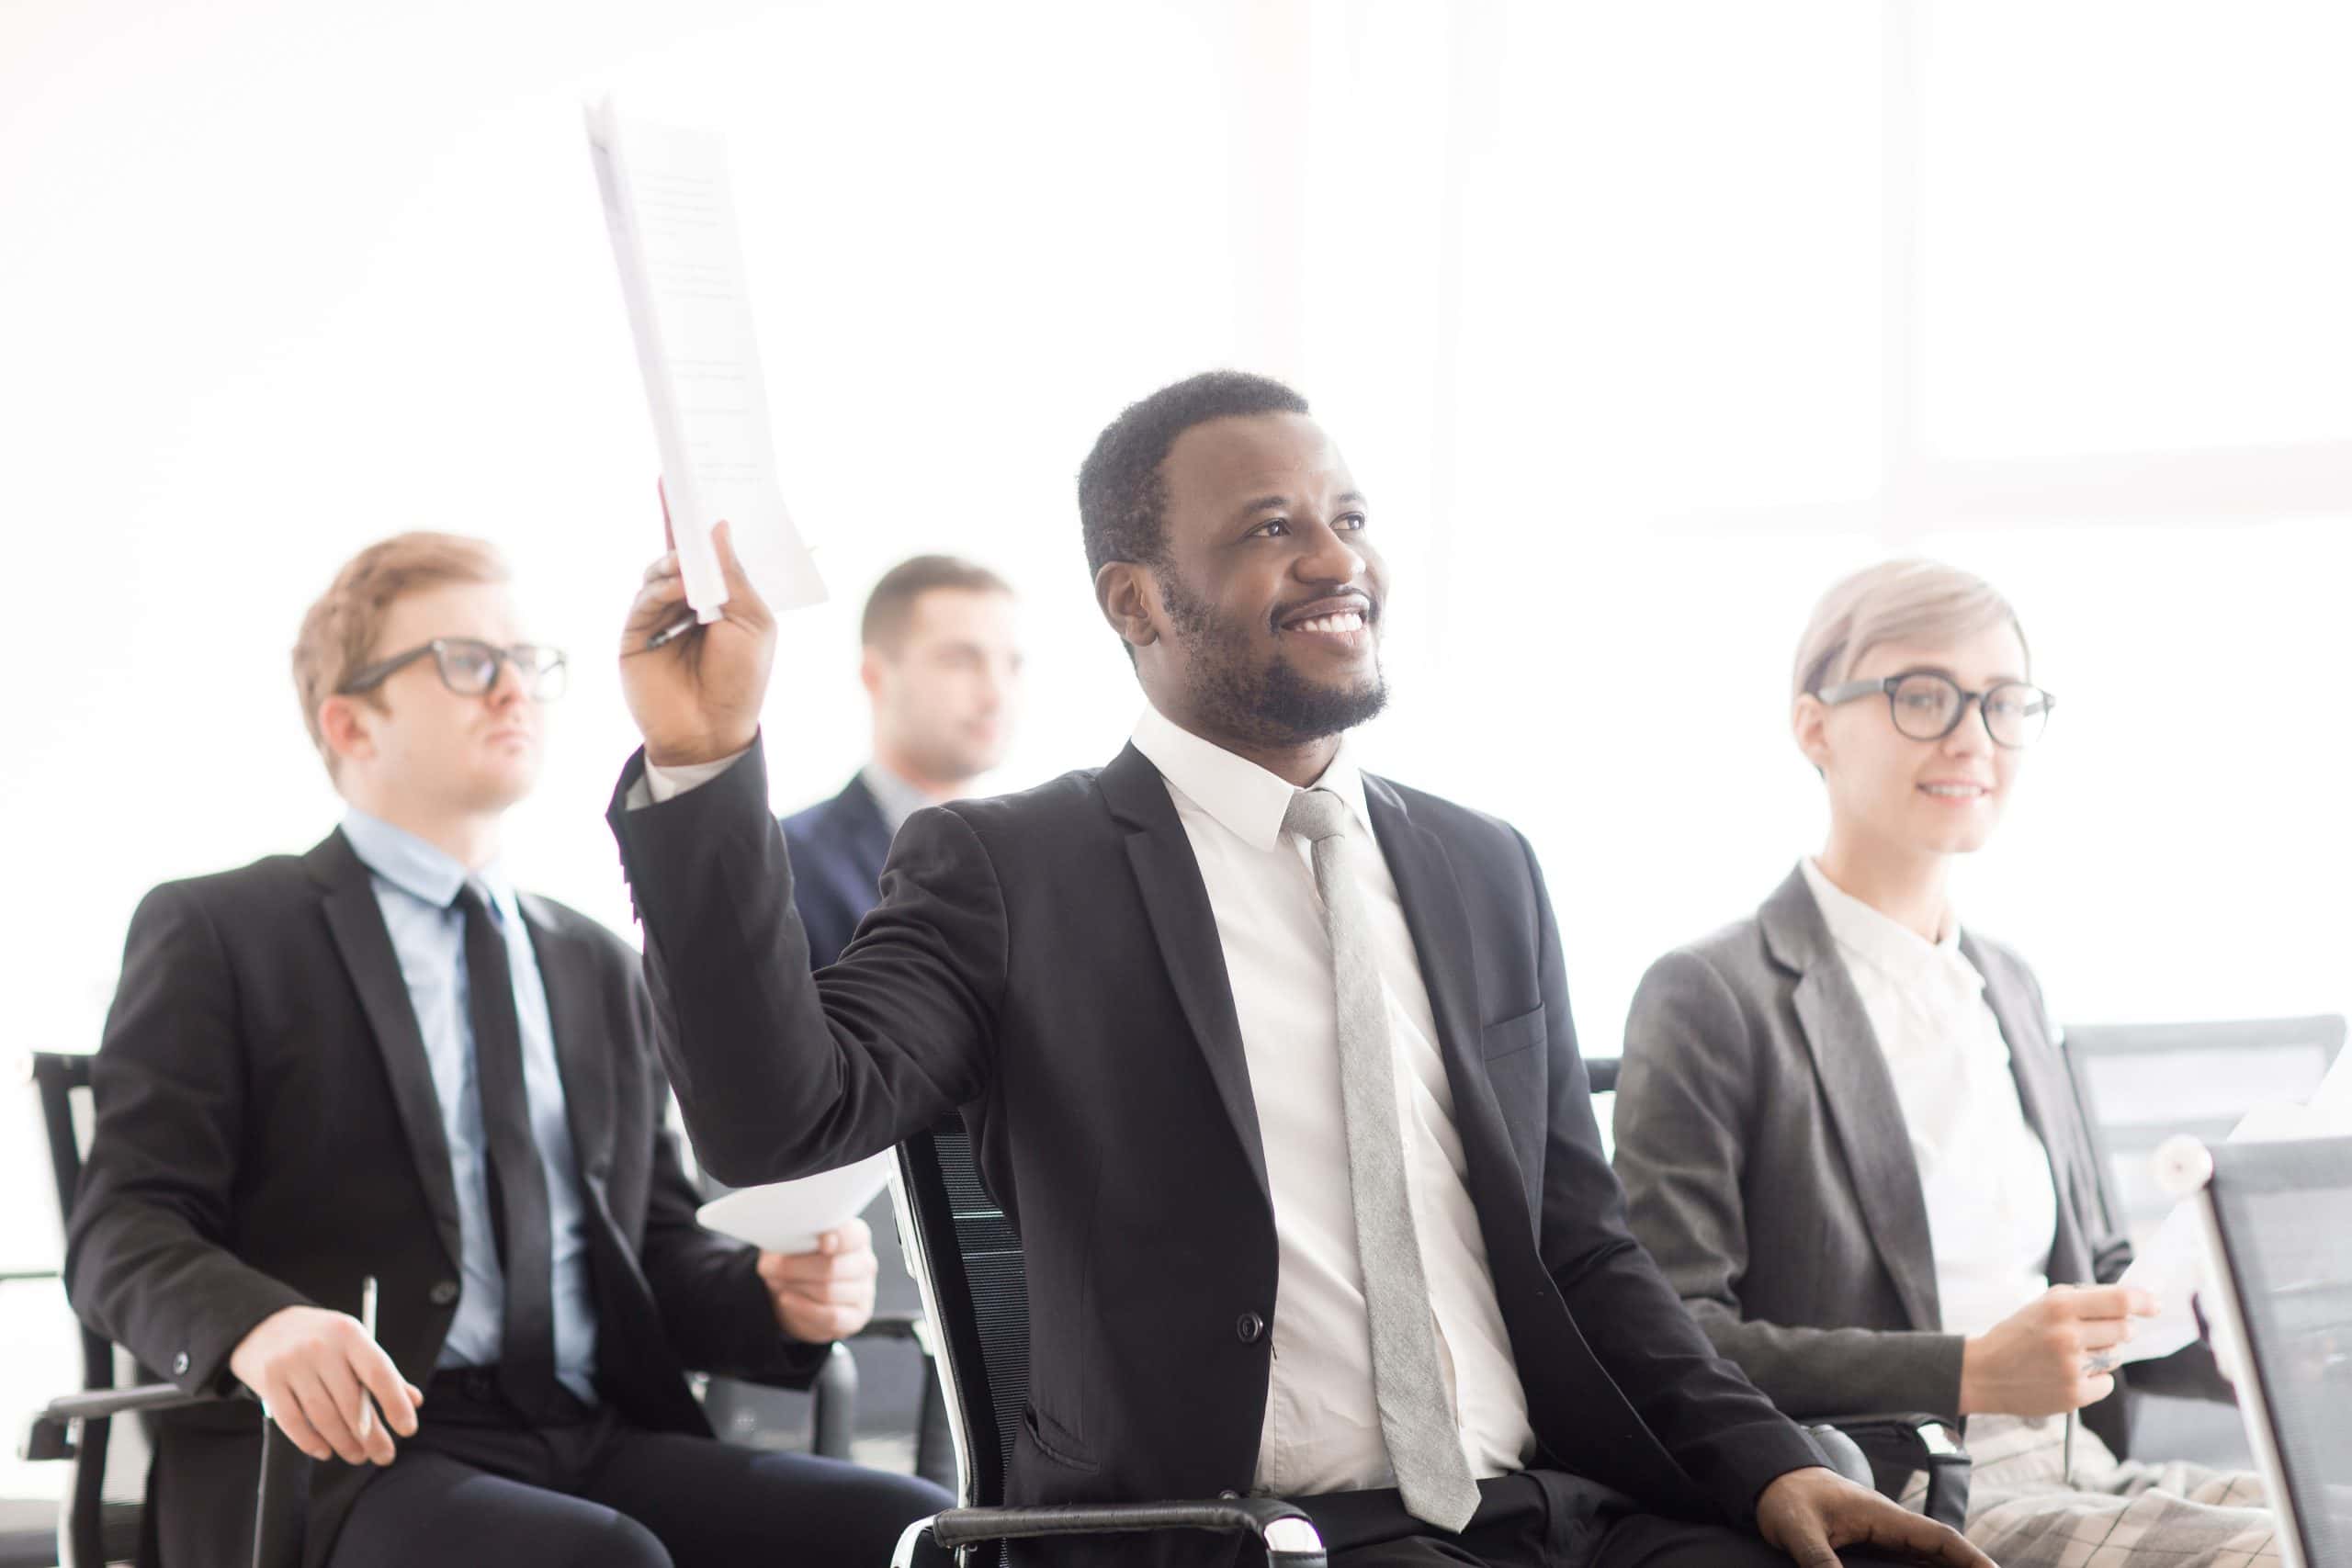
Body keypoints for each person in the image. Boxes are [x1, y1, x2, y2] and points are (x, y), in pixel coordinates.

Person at [604, 371, 1990, 1568]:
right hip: (1256, 1529)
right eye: (1272, 527)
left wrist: (1766, 1463)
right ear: (1137, 599)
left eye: (1350, 518)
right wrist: (706, 760)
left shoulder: (1481, 863)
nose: (1337, 558)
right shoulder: (1015, 868)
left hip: (1558, 1508)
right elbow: (775, 1117)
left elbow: (1584, 1247)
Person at [66, 533, 948, 1568]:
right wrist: (261, 1328)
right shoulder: (225, 930)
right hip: (345, 1457)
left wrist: (768, 1296)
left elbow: (652, 1247)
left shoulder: (593, 963)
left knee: (910, 1531)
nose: (513, 690)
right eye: (466, 662)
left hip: (586, 1432)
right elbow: (124, 1223)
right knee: (598, 1560)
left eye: (528, 662)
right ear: (348, 720)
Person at [1611, 558, 2274, 1567]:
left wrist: (2248, 1296)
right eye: (1922, 695)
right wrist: (1967, 1370)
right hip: (1910, 1484)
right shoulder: (1712, 992)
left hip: (2078, 1466)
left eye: (2004, 702)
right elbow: (1675, 1338)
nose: (1972, 735)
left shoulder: (2007, 982)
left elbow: (2093, 1276)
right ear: (1813, 726)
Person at [783, 554, 1021, 967]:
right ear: (875, 676)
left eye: (1013, 664)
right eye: (960, 661)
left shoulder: (1036, 855)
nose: (996, 695)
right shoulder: (786, 866)